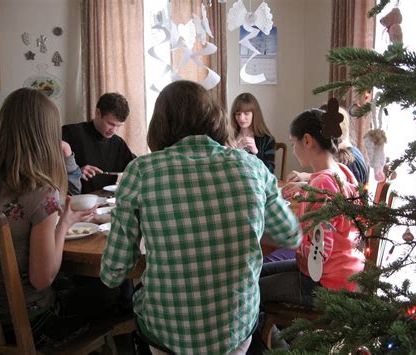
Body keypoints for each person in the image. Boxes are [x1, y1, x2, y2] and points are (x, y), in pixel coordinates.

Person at [100, 80, 302, 355]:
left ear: (160, 123)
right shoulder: (251, 167)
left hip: (167, 332)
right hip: (235, 328)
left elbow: (113, 273)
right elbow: (290, 235)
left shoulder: (140, 171)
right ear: (215, 118)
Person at [0, 88, 96, 348]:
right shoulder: (40, 192)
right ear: (46, 136)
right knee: (103, 299)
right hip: (30, 325)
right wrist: (64, 223)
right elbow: (42, 278)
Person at [260, 108, 365, 308]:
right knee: (259, 273)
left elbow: (320, 251)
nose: (293, 149)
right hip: (345, 272)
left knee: (252, 290)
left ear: (307, 140)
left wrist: (288, 235)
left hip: (327, 283)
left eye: (293, 143)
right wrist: (306, 194)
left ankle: (280, 339)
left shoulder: (321, 185)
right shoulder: (341, 172)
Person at [62, 92, 135, 194]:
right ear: (98, 113)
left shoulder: (118, 143)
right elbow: (45, 170)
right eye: (110, 124)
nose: (114, 130)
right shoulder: (69, 133)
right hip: (73, 203)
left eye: (119, 126)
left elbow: (137, 167)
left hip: (104, 204)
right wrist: (75, 171)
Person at [286, 106, 369, 187]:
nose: (293, 152)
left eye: (293, 144)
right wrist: (305, 188)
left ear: (307, 141)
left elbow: (324, 187)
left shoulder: (322, 183)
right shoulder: (342, 168)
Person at [230, 92, 276, 172]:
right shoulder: (229, 138)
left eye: (246, 114)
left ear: (254, 114)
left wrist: (256, 152)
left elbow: (270, 170)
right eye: (238, 114)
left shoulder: (267, 139)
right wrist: (235, 152)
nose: (241, 118)